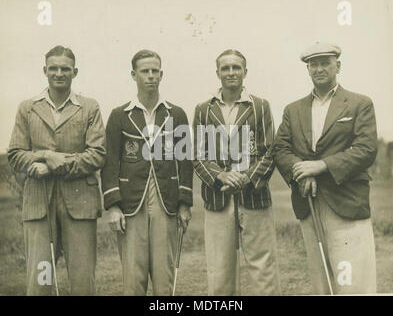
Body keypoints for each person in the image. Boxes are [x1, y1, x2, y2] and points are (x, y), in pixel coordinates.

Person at [272, 42, 378, 294]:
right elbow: (280, 149)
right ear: (308, 70)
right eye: (313, 64)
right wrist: (300, 170)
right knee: (322, 281)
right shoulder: (293, 109)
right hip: (309, 201)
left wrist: (321, 167)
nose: (319, 68)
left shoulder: (359, 103)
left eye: (325, 63)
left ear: (337, 66)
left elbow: (366, 149)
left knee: (353, 281)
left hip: (346, 201)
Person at [8, 45, 106, 295]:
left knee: (83, 281)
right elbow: (16, 154)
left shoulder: (89, 107)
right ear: (45, 71)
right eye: (53, 68)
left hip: (80, 203)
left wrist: (54, 166)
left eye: (65, 68)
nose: (59, 73)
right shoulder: (27, 107)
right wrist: (43, 155)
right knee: (40, 279)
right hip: (38, 202)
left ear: (75, 71)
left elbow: (97, 155)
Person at [101, 50, 193, 296]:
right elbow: (110, 162)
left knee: (165, 278)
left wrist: (184, 204)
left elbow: (184, 162)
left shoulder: (176, 114)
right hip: (131, 203)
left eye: (155, 71)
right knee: (133, 278)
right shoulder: (120, 116)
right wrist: (113, 206)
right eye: (145, 71)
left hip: (166, 201)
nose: (151, 76)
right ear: (134, 75)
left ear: (161, 75)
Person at [193, 49, 281, 295]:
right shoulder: (203, 109)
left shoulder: (260, 106)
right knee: (219, 271)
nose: (231, 72)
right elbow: (198, 155)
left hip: (254, 196)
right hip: (218, 197)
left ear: (245, 72)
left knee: (263, 267)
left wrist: (246, 179)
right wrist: (221, 176)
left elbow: (269, 150)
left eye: (236, 67)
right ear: (218, 72)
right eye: (225, 68)